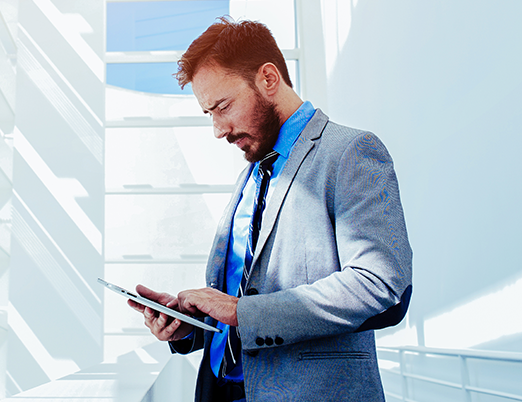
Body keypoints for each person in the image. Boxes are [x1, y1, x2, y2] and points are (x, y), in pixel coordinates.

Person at [127, 17, 412, 402]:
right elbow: (242, 296)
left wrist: (240, 311)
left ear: (268, 78)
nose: (218, 129)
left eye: (223, 106)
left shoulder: (350, 153)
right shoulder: (252, 175)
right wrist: (191, 325)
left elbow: (382, 286)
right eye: (209, 114)